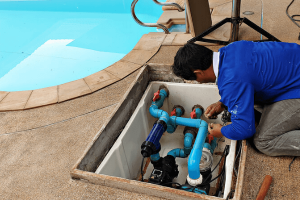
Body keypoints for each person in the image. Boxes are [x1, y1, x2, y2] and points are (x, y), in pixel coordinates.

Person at [172, 40, 300, 156]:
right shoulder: (232, 48)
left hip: (296, 90)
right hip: (293, 70)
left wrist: (222, 131)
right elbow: (245, 78)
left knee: (263, 141)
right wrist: (223, 103)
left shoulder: (231, 83)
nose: (199, 82)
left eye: (195, 79)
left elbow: (245, 129)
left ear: (198, 73)